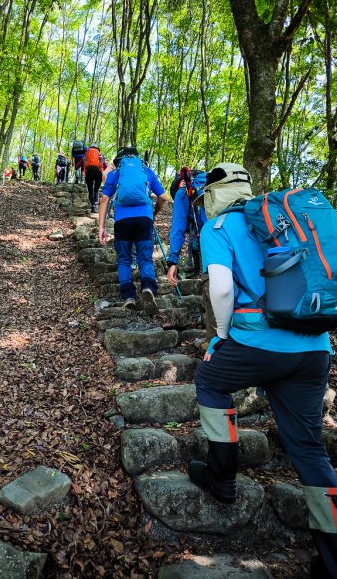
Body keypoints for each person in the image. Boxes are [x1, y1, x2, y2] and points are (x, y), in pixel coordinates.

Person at [186, 162, 336, 578]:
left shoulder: (217, 229)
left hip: (257, 344)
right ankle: (332, 558)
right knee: (308, 447)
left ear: (213, 195)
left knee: (209, 380)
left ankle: (223, 480)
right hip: (315, 348)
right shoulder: (283, 221)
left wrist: (220, 334)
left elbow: (220, 287)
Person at [98, 146, 168, 313]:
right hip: (144, 218)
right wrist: (154, 213)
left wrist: (101, 227)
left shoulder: (115, 174)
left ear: (119, 160)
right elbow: (163, 197)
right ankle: (148, 288)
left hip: (122, 220)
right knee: (145, 258)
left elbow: (104, 198)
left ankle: (129, 296)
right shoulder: (147, 172)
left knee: (124, 259)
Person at [166, 169, 215, 347]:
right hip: (236, 238)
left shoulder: (183, 192)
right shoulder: (215, 185)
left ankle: (214, 342)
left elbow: (178, 228)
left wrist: (173, 261)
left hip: (210, 242)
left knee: (210, 287)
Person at [84, 144, 107, 212]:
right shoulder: (100, 156)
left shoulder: (86, 155)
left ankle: (93, 206)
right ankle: (96, 206)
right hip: (98, 173)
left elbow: (81, 165)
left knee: (90, 191)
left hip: (89, 173)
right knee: (96, 190)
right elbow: (105, 166)